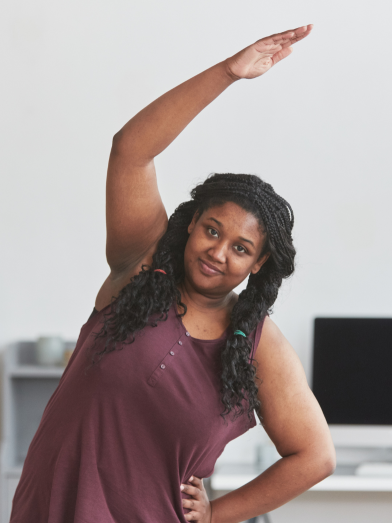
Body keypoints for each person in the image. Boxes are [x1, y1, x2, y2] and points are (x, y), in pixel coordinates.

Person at [10, 24, 336, 523]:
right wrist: (228, 72)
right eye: (211, 230)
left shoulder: (257, 344)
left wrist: (217, 514)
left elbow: (316, 457)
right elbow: (131, 149)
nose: (219, 252)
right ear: (190, 226)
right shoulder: (142, 265)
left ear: (258, 264)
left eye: (241, 248)